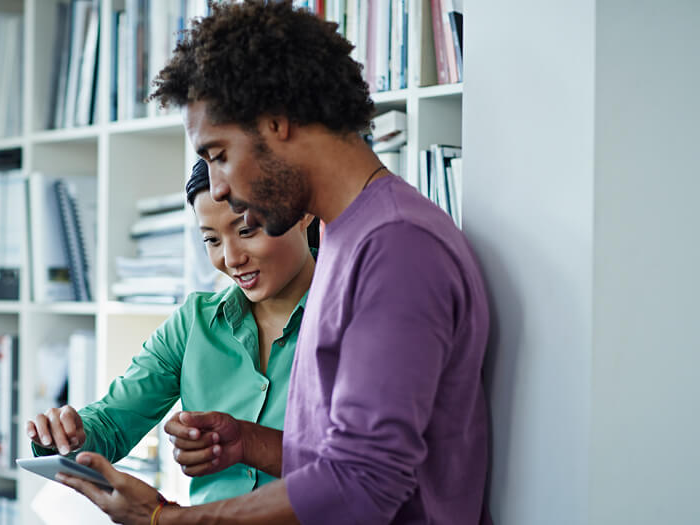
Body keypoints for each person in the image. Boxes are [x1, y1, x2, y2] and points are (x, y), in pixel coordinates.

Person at [57, 2, 492, 524]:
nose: (217, 186)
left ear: (276, 122)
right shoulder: (345, 236)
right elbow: (343, 460)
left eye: (218, 154)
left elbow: (362, 484)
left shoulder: (397, 247)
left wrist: (165, 518)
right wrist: (250, 442)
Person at [26, 158, 316, 505]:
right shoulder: (193, 323)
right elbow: (112, 423)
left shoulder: (356, 317)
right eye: (211, 240)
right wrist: (67, 435)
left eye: (245, 230)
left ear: (302, 213)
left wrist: (251, 444)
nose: (231, 258)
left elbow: (369, 466)